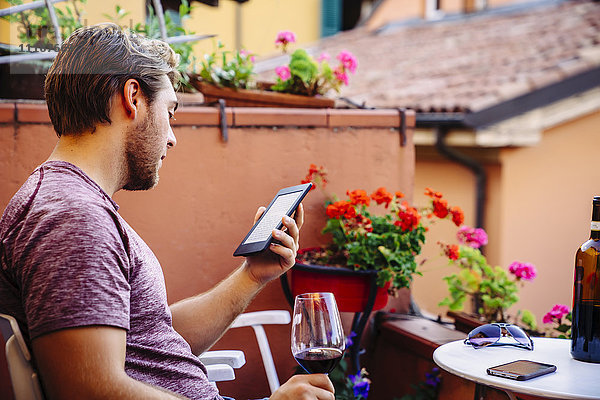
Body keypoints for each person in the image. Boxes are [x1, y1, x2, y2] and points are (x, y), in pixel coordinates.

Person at [0, 23, 334, 400]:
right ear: (133, 97)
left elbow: (152, 342)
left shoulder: (74, 204)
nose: (172, 136)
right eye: (170, 111)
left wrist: (252, 275)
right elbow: (89, 389)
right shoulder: (74, 218)